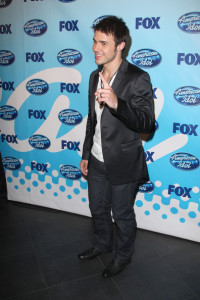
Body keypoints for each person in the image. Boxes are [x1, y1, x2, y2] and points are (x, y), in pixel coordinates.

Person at [79, 16, 154, 278]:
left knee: (121, 215)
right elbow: (92, 120)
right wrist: (87, 152)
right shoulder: (93, 76)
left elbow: (147, 123)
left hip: (123, 161)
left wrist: (117, 103)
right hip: (97, 159)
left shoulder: (138, 77)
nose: (95, 48)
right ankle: (102, 244)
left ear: (120, 45)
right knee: (97, 209)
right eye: (94, 41)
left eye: (103, 42)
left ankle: (122, 257)